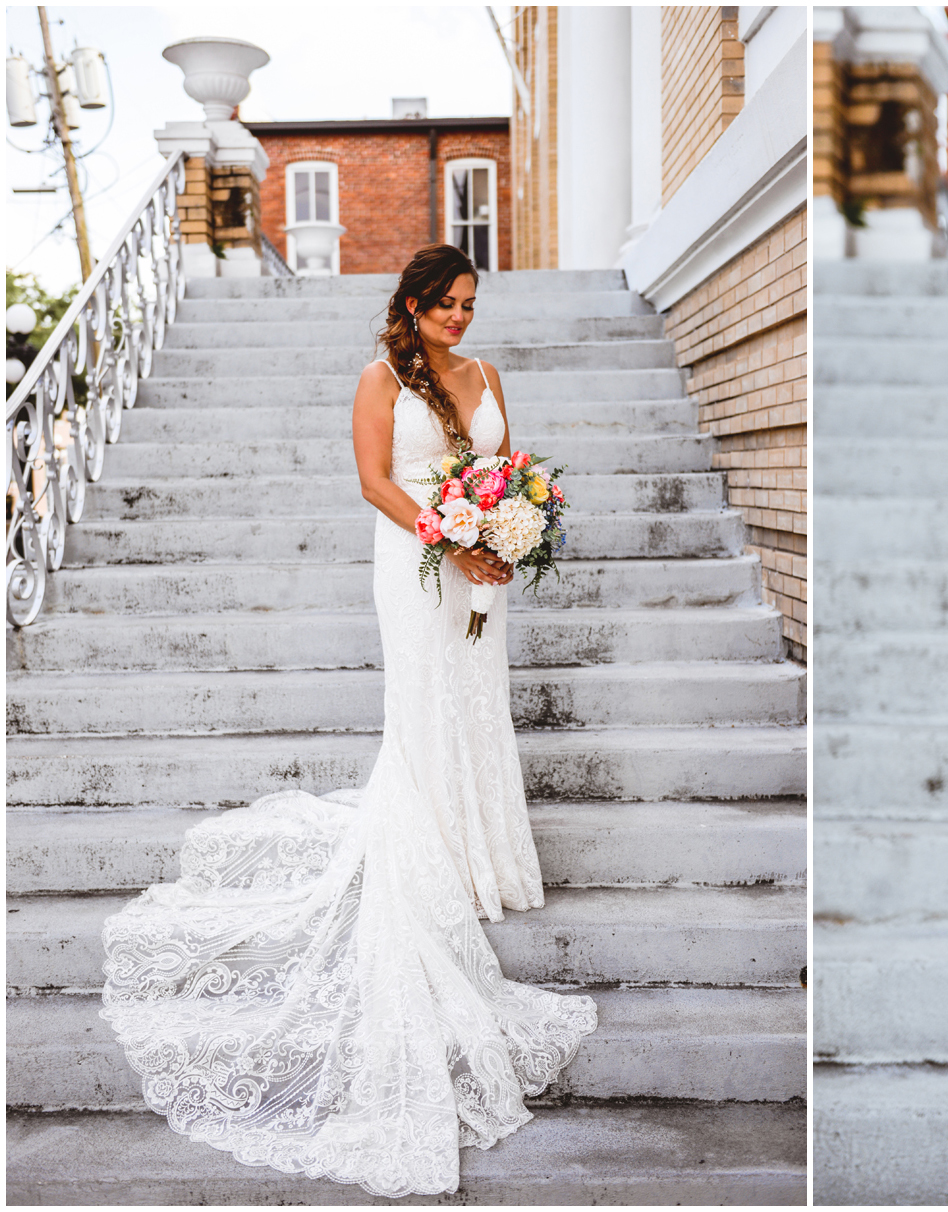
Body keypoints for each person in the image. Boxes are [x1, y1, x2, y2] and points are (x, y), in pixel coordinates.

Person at [100, 244, 596, 1199]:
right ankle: (434, 852)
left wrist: (507, 527)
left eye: (469, 304)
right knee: (423, 702)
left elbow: (507, 467)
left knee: (476, 698)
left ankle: (488, 852)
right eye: (446, 305)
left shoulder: (489, 375)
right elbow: (376, 481)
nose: (461, 319)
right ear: (410, 305)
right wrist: (450, 536)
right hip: (415, 563)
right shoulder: (380, 379)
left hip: (480, 569)